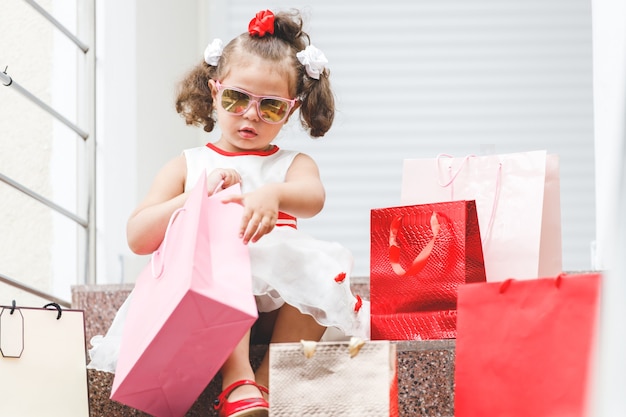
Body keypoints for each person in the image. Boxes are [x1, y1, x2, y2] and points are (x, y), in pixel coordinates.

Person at [87, 9, 369, 417]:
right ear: (215, 92)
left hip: (279, 307)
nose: (250, 115)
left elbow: (313, 197)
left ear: (290, 111)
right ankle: (237, 377)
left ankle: (268, 385)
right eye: (237, 99)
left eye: (270, 107)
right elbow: (138, 236)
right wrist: (194, 197)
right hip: (205, 296)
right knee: (226, 250)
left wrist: (273, 194)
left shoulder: (292, 163)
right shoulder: (188, 163)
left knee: (326, 266)